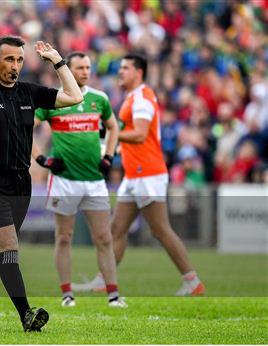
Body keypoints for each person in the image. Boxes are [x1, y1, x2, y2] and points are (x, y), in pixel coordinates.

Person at [0, 35, 83, 331]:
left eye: (20, 60)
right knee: (9, 247)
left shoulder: (29, 93)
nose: (15, 65)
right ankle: (27, 315)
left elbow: (74, 97)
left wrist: (58, 61)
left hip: (20, 184)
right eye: (9, 59)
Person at [85, 54, 205, 296]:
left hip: (147, 172)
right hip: (135, 173)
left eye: (126, 68)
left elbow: (139, 134)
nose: (120, 72)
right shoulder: (133, 97)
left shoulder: (142, 97)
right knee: (117, 229)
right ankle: (103, 281)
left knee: (160, 230)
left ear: (139, 72)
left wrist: (110, 134)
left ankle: (192, 281)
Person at [33, 52, 126, 308]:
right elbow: (24, 126)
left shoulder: (99, 99)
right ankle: (66, 294)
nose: (85, 72)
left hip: (94, 180)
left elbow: (114, 127)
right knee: (64, 237)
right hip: (64, 180)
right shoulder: (54, 99)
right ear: (67, 70)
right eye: (80, 68)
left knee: (104, 238)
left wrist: (109, 156)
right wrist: (41, 159)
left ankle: (114, 295)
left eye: (88, 67)